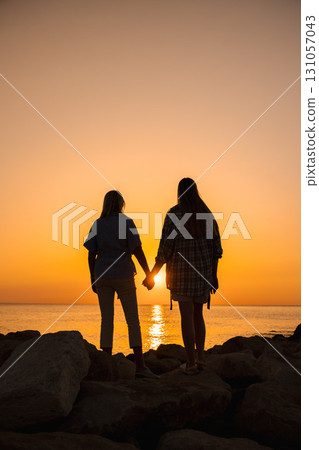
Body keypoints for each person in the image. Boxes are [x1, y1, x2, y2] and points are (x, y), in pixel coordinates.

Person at [144, 178, 223, 375]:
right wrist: (214, 275)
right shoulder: (206, 214)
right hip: (203, 272)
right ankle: (201, 358)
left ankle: (190, 362)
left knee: (186, 316)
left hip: (181, 274)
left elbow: (165, 248)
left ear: (179, 192)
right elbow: (216, 249)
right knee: (198, 315)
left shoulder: (174, 214)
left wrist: (153, 274)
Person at [84, 190, 158, 379]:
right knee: (132, 319)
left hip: (102, 275)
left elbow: (91, 254)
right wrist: (149, 273)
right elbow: (137, 250)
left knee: (106, 320)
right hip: (124, 274)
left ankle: (107, 363)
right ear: (121, 204)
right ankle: (140, 366)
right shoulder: (127, 222)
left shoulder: (97, 224)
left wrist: (93, 278)